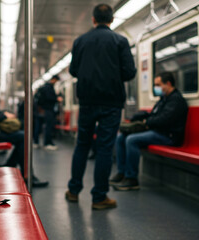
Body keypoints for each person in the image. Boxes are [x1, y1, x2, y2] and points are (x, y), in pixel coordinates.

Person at [65, 3, 136, 209]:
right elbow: (130, 72)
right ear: (112, 20)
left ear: (93, 20)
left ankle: (73, 190)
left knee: (82, 145)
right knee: (105, 148)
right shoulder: (120, 41)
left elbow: (73, 70)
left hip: (86, 101)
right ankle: (99, 197)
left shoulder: (80, 41)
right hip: (111, 102)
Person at [110, 72, 188, 190]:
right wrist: (139, 117)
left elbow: (164, 119)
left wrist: (146, 123)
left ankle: (132, 179)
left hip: (169, 136)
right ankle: (122, 173)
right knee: (121, 137)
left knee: (132, 139)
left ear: (168, 83)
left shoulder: (176, 100)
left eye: (158, 85)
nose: (156, 88)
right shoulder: (163, 99)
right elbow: (154, 114)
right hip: (159, 132)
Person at [34, 75, 63, 150]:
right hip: (47, 110)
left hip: (40, 110)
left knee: (38, 126)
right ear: (54, 79)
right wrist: (57, 99)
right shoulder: (49, 87)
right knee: (48, 126)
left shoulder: (43, 87)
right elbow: (49, 98)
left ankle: (36, 142)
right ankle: (47, 143)